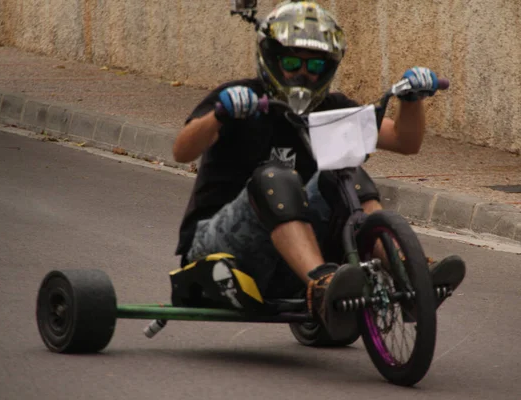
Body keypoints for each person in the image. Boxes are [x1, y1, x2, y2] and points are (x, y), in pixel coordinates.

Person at [173, 1, 465, 341]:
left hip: (293, 258)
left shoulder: (332, 111)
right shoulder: (241, 99)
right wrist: (219, 115)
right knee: (276, 177)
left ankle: (410, 276)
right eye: (292, 62)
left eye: (315, 65)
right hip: (219, 254)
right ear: (271, 58)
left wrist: (412, 99)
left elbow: (404, 140)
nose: (303, 73)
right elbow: (182, 150)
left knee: (345, 173)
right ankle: (321, 284)